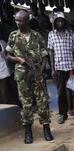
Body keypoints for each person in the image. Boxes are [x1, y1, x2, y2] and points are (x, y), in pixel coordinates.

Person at [6, 10, 54, 144]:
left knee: (42, 102)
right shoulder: (13, 36)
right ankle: (28, 132)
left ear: (27, 21)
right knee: (26, 104)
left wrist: (41, 68)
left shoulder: (37, 36)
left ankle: (46, 129)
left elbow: (45, 55)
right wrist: (18, 59)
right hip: (22, 75)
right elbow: (7, 55)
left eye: (20, 20)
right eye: (16, 20)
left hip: (37, 74)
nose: (18, 23)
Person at [48, 12, 74, 126]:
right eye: (58, 21)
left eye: (62, 21)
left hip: (71, 67)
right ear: (55, 22)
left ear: (65, 22)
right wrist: (52, 68)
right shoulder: (51, 35)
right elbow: (50, 51)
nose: (60, 23)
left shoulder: (70, 33)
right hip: (58, 67)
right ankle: (63, 114)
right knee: (61, 92)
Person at [0, 39, 11, 104]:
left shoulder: (2, 42)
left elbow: (7, 54)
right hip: (3, 67)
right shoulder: (2, 42)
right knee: (3, 90)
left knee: (4, 90)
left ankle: (5, 105)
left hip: (3, 68)